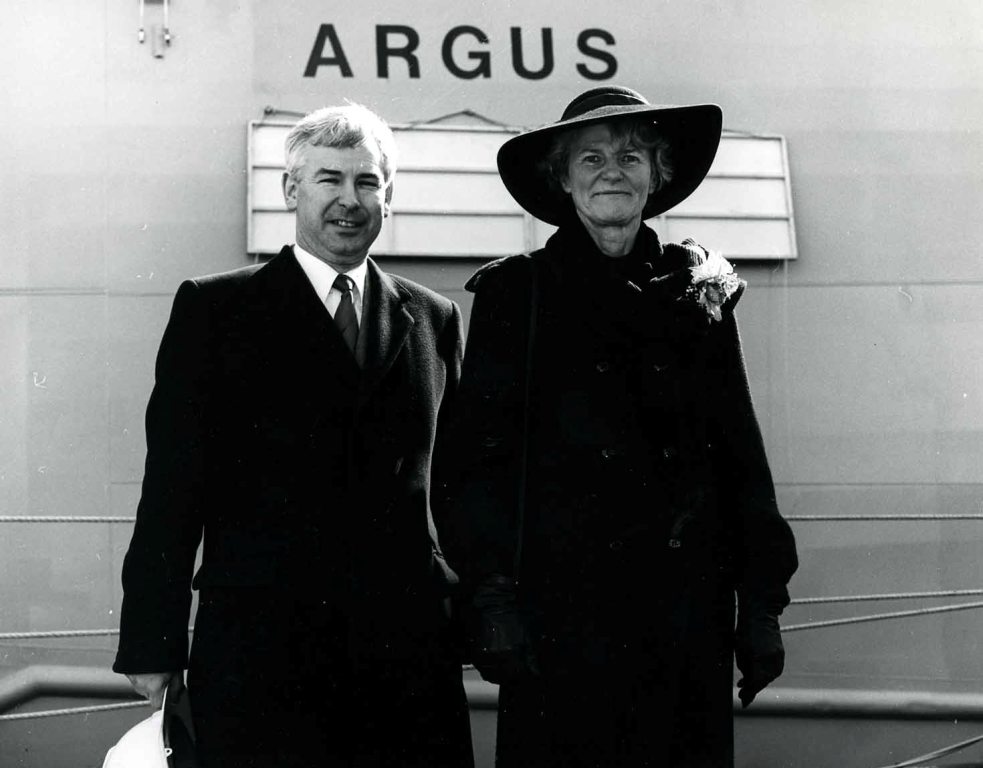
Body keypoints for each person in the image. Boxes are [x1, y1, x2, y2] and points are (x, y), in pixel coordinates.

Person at [435, 86, 798, 767]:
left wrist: (760, 606)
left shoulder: (699, 291)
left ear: (656, 176)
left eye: (631, 156)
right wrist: (491, 601)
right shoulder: (521, 293)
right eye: (591, 157)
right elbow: (474, 466)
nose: (611, 170)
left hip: (682, 616)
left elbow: (738, 456)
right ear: (561, 179)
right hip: (556, 622)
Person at [113, 104, 474, 768]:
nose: (349, 200)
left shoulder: (432, 318)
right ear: (290, 191)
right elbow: (172, 487)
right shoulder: (216, 309)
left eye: (367, 182)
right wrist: (151, 641)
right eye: (328, 180)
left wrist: (477, 616)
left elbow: (458, 488)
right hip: (263, 647)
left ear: (388, 197)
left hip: (405, 652)